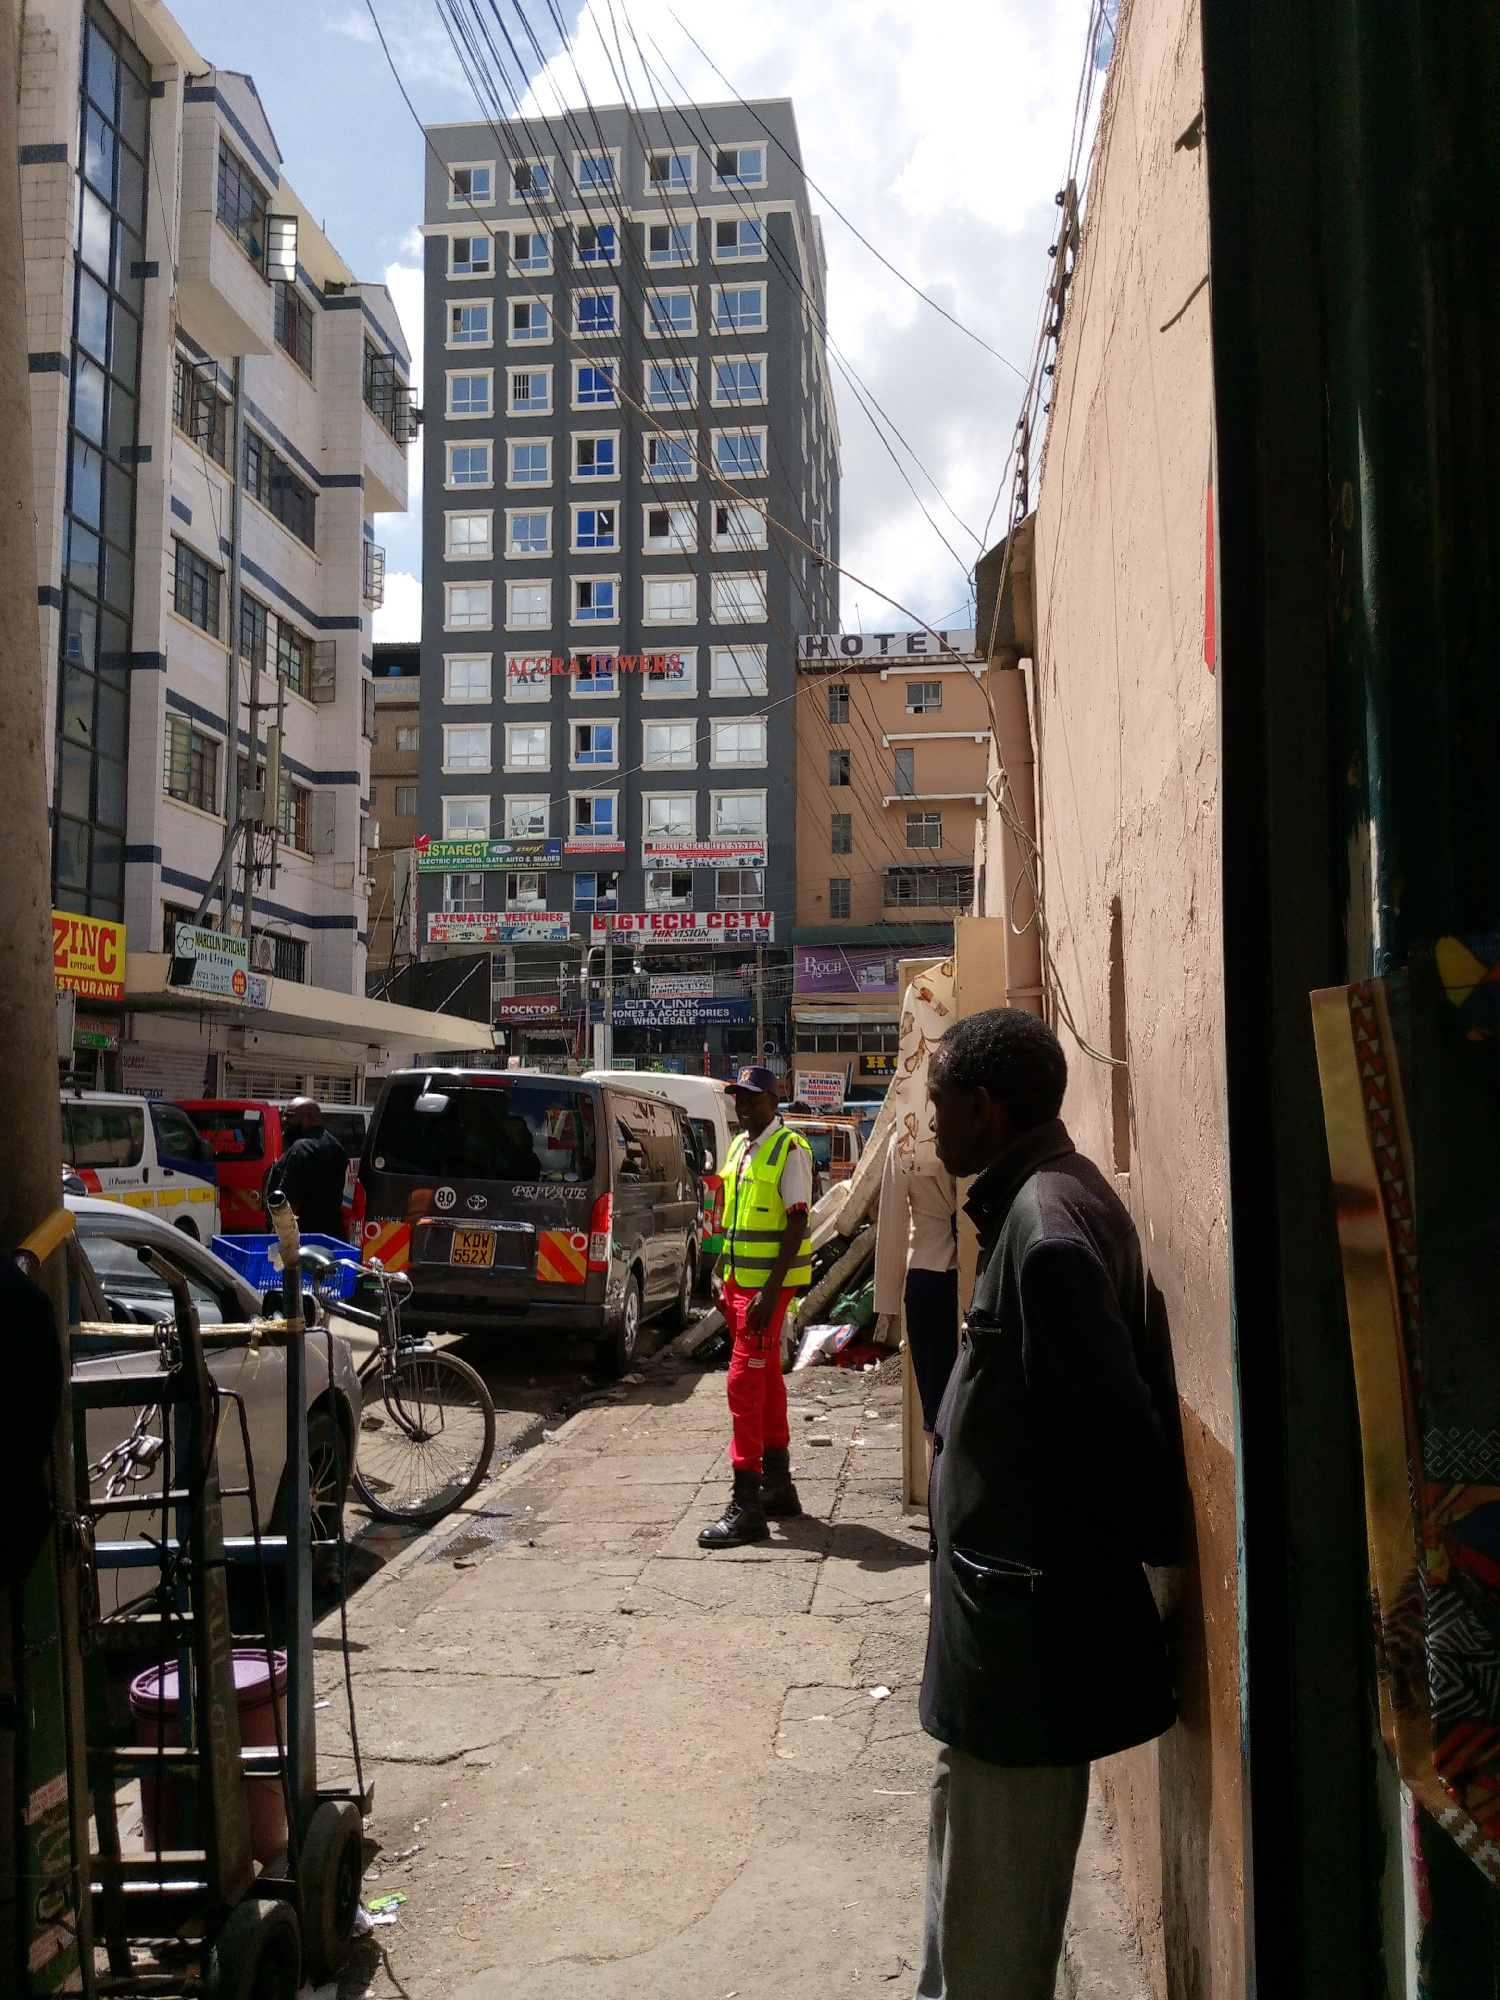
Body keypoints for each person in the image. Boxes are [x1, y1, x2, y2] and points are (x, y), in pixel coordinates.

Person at [917, 1008, 1176, 2000]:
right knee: (965, 1891)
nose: (930, 1120)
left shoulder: (1048, 1231)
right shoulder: (1032, 1202)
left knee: (994, 1933)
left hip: (1022, 1646)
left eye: (939, 1100)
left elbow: (1118, 1443)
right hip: (994, 1631)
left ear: (984, 1107)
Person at [698, 1066, 815, 1549]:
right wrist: (719, 1267)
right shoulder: (740, 1148)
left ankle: (746, 1505)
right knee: (765, 1383)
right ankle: (778, 1487)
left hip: (765, 1290)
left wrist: (770, 1292)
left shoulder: (790, 1150)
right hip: (740, 1283)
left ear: (774, 1101)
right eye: (738, 1097)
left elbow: (797, 1223)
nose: (742, 1105)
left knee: (743, 1385)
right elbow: (734, 1220)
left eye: (752, 1098)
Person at [873, 1139, 959, 1469]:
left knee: (935, 1412)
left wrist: (889, 1299)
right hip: (977, 1269)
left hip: (928, 1270)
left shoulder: (905, 1135)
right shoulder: (980, 1120)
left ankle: (936, 1497)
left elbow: (893, 1221)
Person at [264, 1099, 349, 1241]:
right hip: (332, 1236)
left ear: (309, 1118)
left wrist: (275, 1241)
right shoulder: (335, 1145)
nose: (284, 1120)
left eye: (290, 1116)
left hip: (303, 1239)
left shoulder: (302, 1148)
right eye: (284, 1115)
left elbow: (288, 1206)